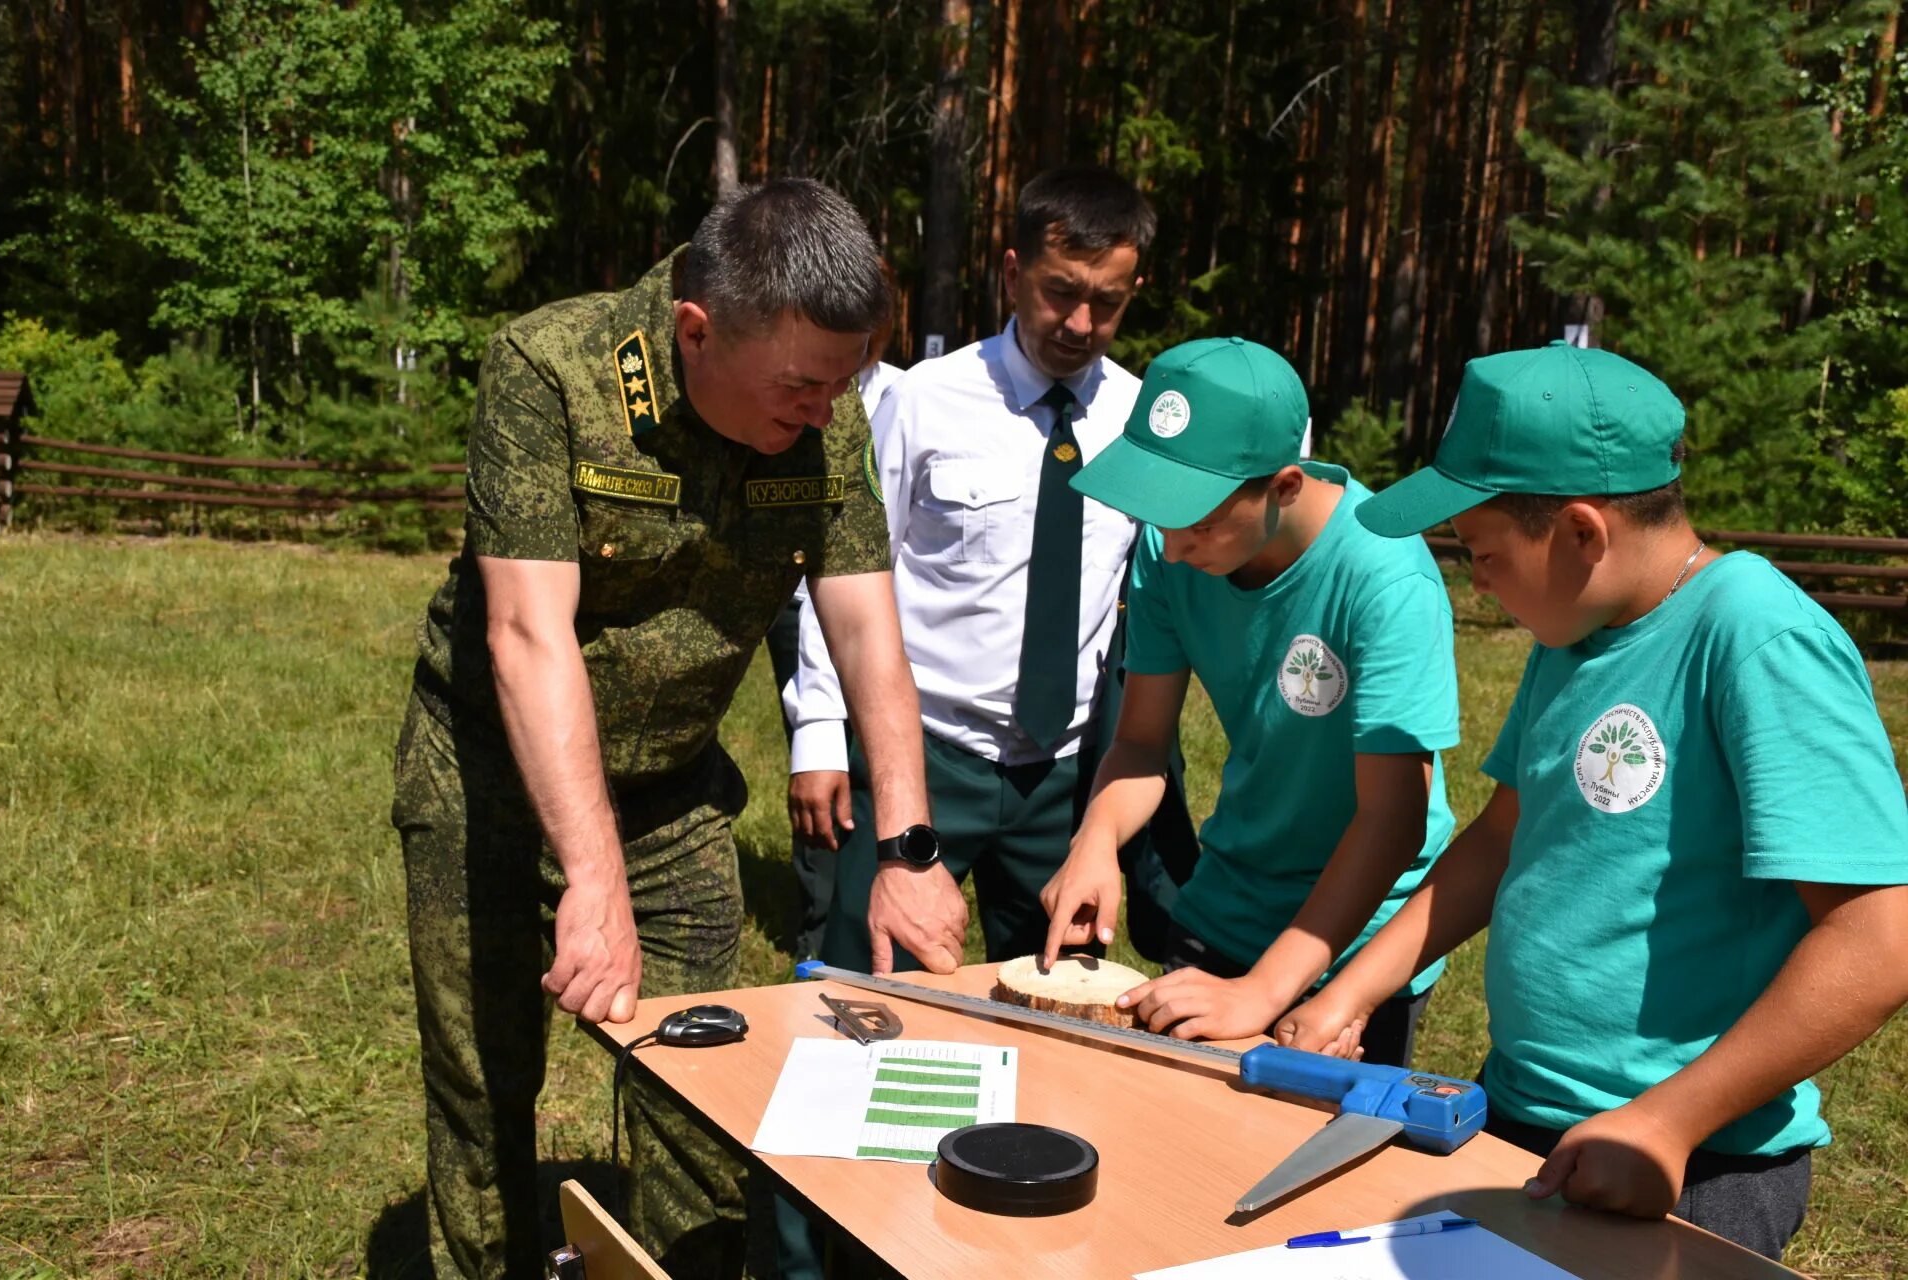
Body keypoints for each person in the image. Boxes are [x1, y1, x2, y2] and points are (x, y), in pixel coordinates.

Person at [391, 179, 961, 1280]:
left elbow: (868, 635)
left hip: (672, 790)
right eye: (802, 386)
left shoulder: (822, 401)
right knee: (485, 1083)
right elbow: (525, 632)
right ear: (696, 330)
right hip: (489, 787)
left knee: (703, 1080)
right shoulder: (550, 371)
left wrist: (909, 850)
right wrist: (592, 878)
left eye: (842, 384)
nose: (825, 408)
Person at [1278, 341, 1908, 1259]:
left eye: (1483, 553)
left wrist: (1667, 1120)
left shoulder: (1757, 639)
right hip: (1528, 1115)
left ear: (1581, 533)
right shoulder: (1574, 630)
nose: (1476, 580)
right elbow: (1504, 837)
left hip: (1691, 1161)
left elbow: (1876, 938)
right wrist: (1355, 991)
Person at [786, 165, 1190, 975]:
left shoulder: (1139, 422)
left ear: (1134, 290)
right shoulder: (927, 400)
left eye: (1105, 302)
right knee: (868, 987)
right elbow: (842, 571)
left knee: (1057, 999)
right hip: (925, 753)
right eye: (1058, 291)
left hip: (1066, 775)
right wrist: (821, 732)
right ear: (1012, 272)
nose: (1079, 323)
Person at [1040, 337, 1459, 1067]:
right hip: (1226, 903)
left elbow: (1393, 820)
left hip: (1351, 946)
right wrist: (1097, 841)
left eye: (1197, 521)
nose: (1171, 550)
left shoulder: (1385, 578)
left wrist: (1267, 992)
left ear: (1285, 486)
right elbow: (1141, 743)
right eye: (1161, 514)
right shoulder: (1170, 548)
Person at [764, 276, 903, 962]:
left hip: (866, 607)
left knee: (867, 762)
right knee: (819, 765)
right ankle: (819, 922)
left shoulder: (906, 397)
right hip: (794, 602)